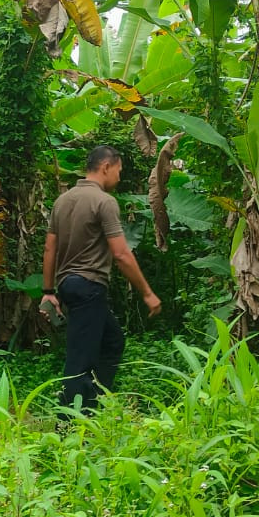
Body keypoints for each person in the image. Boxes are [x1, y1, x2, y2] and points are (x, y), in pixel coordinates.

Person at [40, 145, 162, 412]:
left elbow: (50, 248)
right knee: (78, 361)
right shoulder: (104, 202)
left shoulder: (63, 201)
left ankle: (93, 402)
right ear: (106, 167)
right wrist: (147, 293)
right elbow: (121, 254)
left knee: (113, 341)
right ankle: (69, 424)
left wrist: (49, 290)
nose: (119, 177)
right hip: (89, 286)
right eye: (118, 171)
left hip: (68, 285)